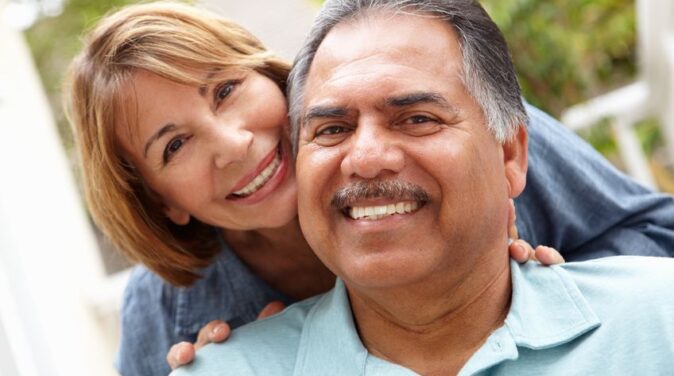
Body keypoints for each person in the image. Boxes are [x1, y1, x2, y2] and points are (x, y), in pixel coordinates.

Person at [63, 2, 674, 375]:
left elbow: (655, 237)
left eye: (225, 90)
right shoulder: (167, 312)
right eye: (175, 145)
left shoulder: (469, 139)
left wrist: (563, 296)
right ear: (160, 199)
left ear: (271, 77)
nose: (233, 144)